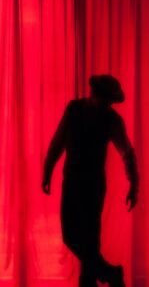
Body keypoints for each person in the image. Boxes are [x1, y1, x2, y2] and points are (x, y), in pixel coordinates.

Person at [42, 75, 139, 287]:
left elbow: (127, 153)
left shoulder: (111, 119)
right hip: (73, 181)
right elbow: (58, 141)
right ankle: (110, 273)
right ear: (95, 94)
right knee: (71, 235)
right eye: (106, 99)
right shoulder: (74, 110)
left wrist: (134, 184)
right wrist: (48, 169)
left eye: (110, 101)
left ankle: (89, 282)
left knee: (90, 239)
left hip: (93, 185)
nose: (107, 104)